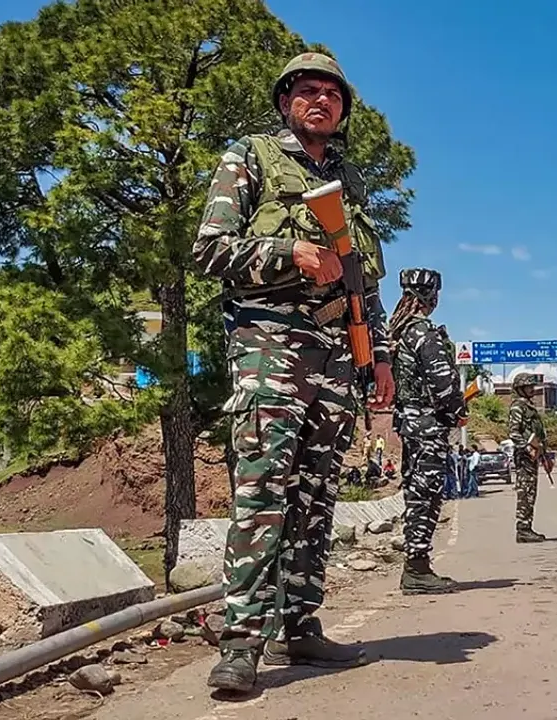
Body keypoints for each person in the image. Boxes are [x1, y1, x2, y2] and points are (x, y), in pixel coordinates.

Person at [194, 52, 395, 693]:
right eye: (307, 91)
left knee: (315, 498)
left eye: (332, 94)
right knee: (262, 497)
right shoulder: (249, 157)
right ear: (286, 103)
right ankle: (241, 647)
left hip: (337, 353)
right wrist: (292, 254)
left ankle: (302, 628)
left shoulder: (349, 180)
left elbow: (365, 278)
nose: (320, 101)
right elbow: (210, 250)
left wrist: (380, 356)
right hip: (269, 345)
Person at [388, 268, 467, 594]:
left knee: (417, 493)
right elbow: (443, 383)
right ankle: (417, 569)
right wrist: (458, 412)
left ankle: (417, 566)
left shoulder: (398, 331)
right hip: (428, 427)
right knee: (427, 496)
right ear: (431, 296)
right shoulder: (424, 334)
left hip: (410, 424)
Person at [507, 375, 550, 542]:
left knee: (531, 492)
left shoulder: (529, 407)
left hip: (533, 455)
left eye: (533, 386)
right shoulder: (518, 407)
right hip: (525, 456)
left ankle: (527, 527)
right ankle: (523, 529)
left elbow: (538, 433)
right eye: (528, 386)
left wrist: (543, 453)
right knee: (525, 492)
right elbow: (514, 433)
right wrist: (527, 448)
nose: (532, 389)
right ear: (520, 388)